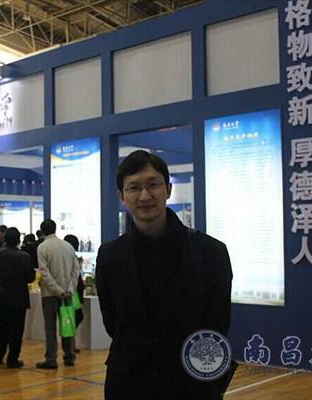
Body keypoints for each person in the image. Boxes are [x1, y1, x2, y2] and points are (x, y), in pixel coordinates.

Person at [96, 150, 233, 399]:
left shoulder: (210, 251)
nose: (145, 196)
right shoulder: (110, 256)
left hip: (191, 384)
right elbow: (113, 322)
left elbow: (218, 322)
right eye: (134, 187)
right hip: (129, 383)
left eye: (153, 185)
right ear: (122, 196)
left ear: (168, 189)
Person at [35, 219, 81, 369]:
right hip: (67, 293)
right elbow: (76, 270)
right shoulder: (68, 247)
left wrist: (57, 290)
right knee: (68, 323)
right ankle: (69, 356)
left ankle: (51, 359)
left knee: (50, 328)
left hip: (49, 294)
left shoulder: (42, 248)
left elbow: (44, 273)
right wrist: (69, 289)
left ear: (42, 231)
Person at [0, 227, 36, 368]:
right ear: (18, 240)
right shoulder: (24, 257)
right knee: (17, 329)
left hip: (3, 295)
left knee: (2, 327)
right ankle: (13, 359)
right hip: (19, 296)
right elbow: (30, 278)